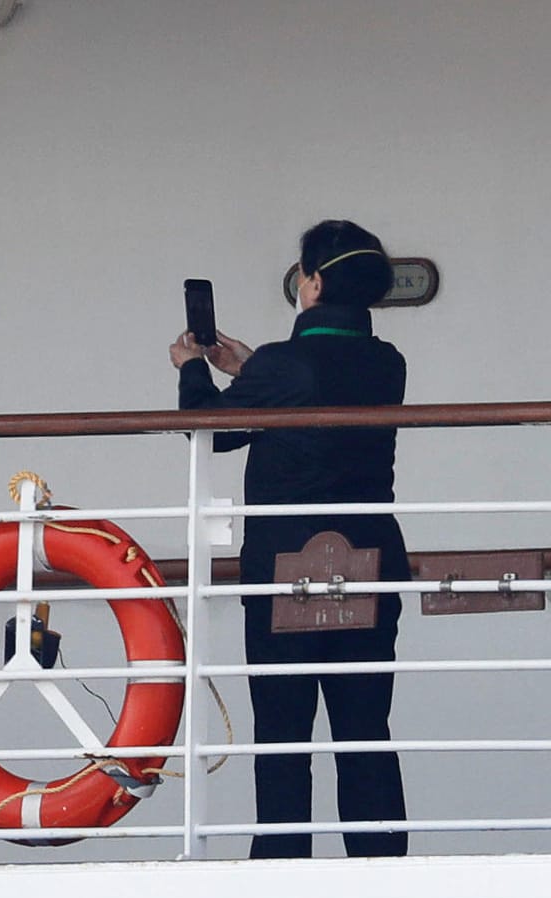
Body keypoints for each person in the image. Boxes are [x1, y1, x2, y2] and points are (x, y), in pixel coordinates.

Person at [169, 219, 409, 859]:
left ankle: (281, 869)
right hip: (370, 564)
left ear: (314, 282)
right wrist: (247, 367)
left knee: (282, 732)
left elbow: (212, 430)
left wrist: (196, 369)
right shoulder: (387, 363)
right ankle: (382, 869)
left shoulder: (284, 365)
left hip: (286, 572)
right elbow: (309, 398)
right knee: (363, 728)